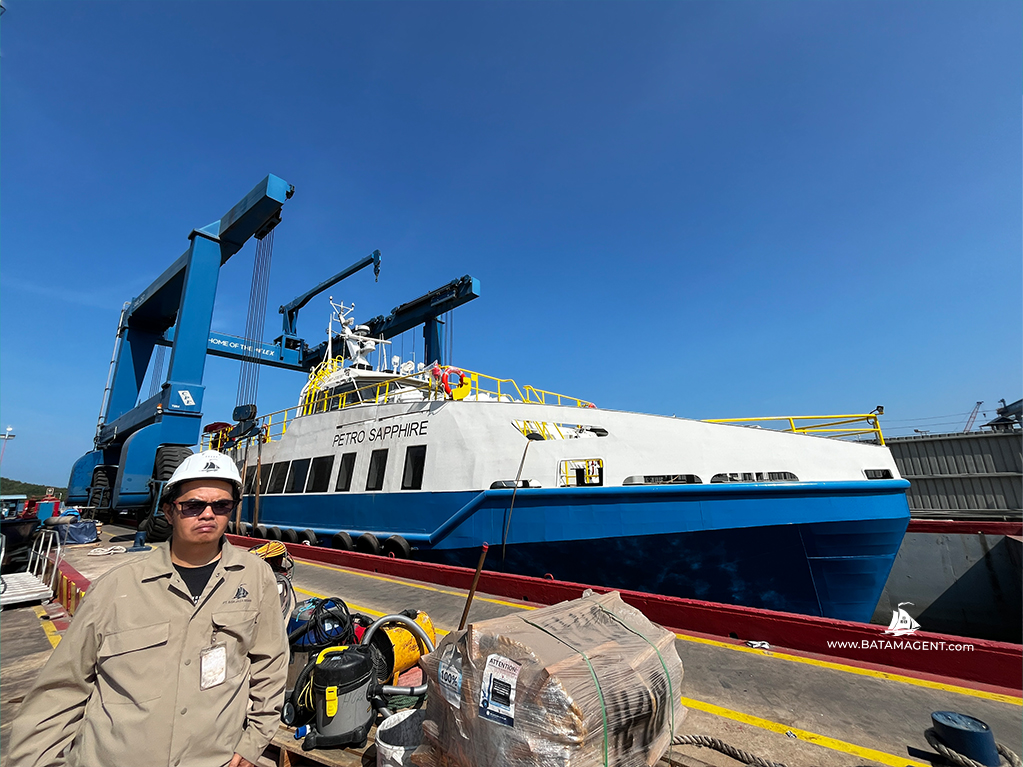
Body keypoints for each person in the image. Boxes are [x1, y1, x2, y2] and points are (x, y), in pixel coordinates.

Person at [7, 450, 289, 767]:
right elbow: (61, 690)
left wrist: (253, 742)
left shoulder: (256, 577)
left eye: (221, 505)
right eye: (193, 505)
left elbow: (271, 664)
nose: (208, 514)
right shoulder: (115, 589)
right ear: (168, 511)